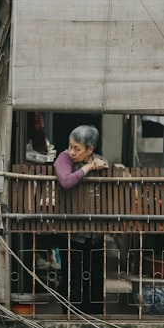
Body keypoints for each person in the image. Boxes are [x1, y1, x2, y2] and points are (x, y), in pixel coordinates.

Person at [52, 125, 109, 313]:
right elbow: (66, 181)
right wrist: (87, 168)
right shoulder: (64, 158)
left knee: (94, 275)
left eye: (77, 148)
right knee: (72, 276)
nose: (72, 152)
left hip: (94, 231)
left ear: (90, 150)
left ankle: (94, 316)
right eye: (70, 146)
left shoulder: (97, 159)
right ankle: (71, 315)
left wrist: (100, 164)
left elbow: (105, 167)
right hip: (71, 230)